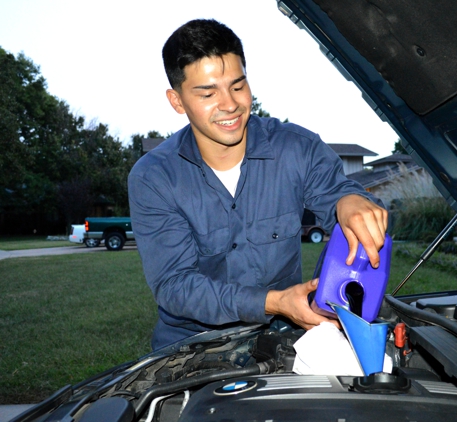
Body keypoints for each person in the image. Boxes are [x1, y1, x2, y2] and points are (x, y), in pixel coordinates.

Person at [128, 19, 388, 350]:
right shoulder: (153, 177)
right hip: (191, 346)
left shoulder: (298, 148)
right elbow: (176, 286)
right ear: (177, 100)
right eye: (208, 93)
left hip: (284, 338)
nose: (229, 104)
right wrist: (273, 301)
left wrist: (348, 201)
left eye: (238, 86)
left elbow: (339, 193)